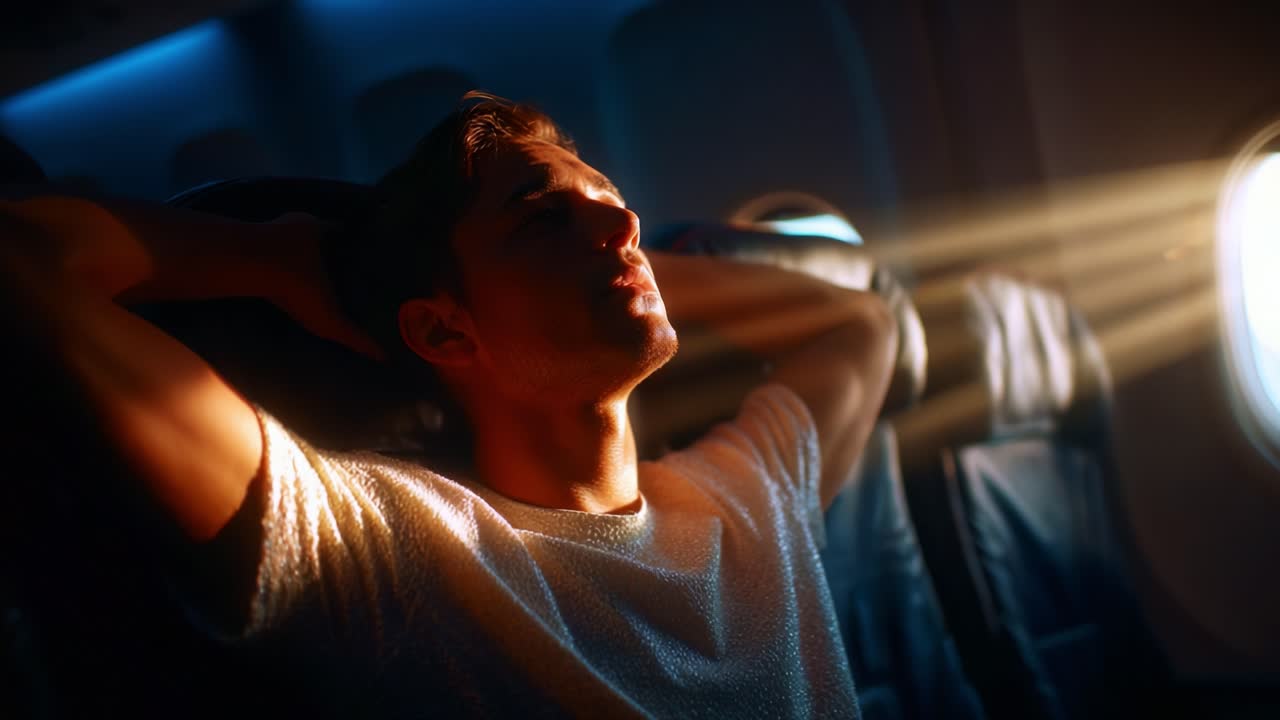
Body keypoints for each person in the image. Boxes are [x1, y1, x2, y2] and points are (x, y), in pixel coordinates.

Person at [0, 92, 896, 718]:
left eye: (614, 202)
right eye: (542, 221)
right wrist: (278, 255)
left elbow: (856, 321)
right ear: (443, 333)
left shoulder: (748, 495)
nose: (620, 224)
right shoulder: (381, 546)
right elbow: (22, 260)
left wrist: (621, 256)